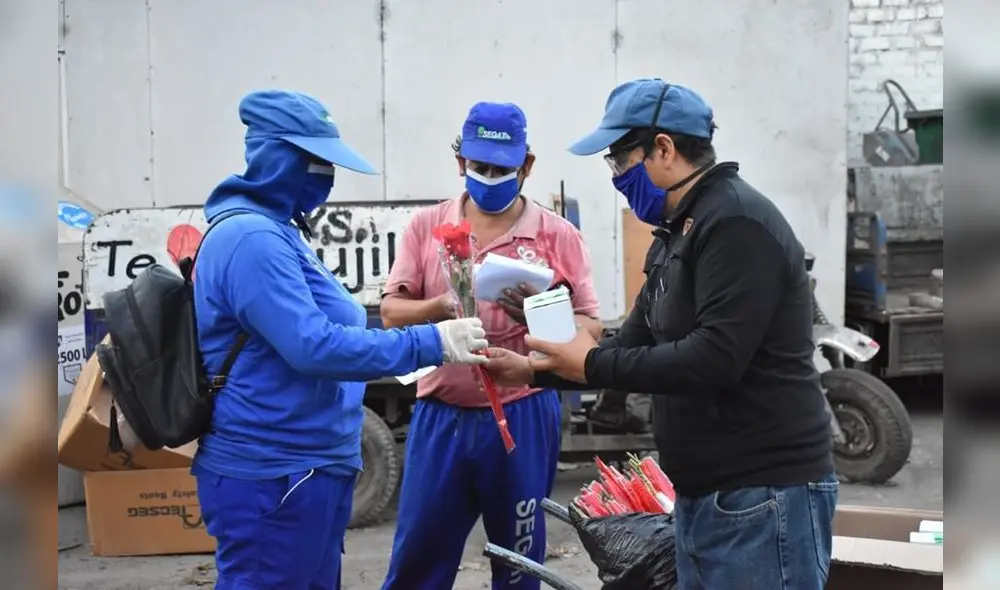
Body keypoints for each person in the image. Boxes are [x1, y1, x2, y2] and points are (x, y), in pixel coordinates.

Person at [486, 79, 837, 590]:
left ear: (664, 149)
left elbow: (715, 358)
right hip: (707, 494)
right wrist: (535, 367)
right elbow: (630, 344)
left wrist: (589, 365)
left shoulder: (736, 223)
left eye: (619, 162)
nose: (616, 177)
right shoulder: (677, 233)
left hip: (763, 495)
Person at [190, 89, 489, 590]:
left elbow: (330, 332)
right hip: (274, 474)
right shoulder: (252, 240)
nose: (325, 176)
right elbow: (315, 346)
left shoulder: (279, 232)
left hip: (303, 470)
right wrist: (432, 342)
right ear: (279, 158)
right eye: (315, 162)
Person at [379, 102, 602, 590]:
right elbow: (392, 311)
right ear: (461, 163)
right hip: (443, 413)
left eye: (503, 169)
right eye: (480, 167)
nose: (490, 178)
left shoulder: (557, 236)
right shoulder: (427, 228)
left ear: (527, 167)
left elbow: (591, 326)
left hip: (523, 412)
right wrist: (442, 305)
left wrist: (542, 314)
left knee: (520, 560)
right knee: (419, 555)